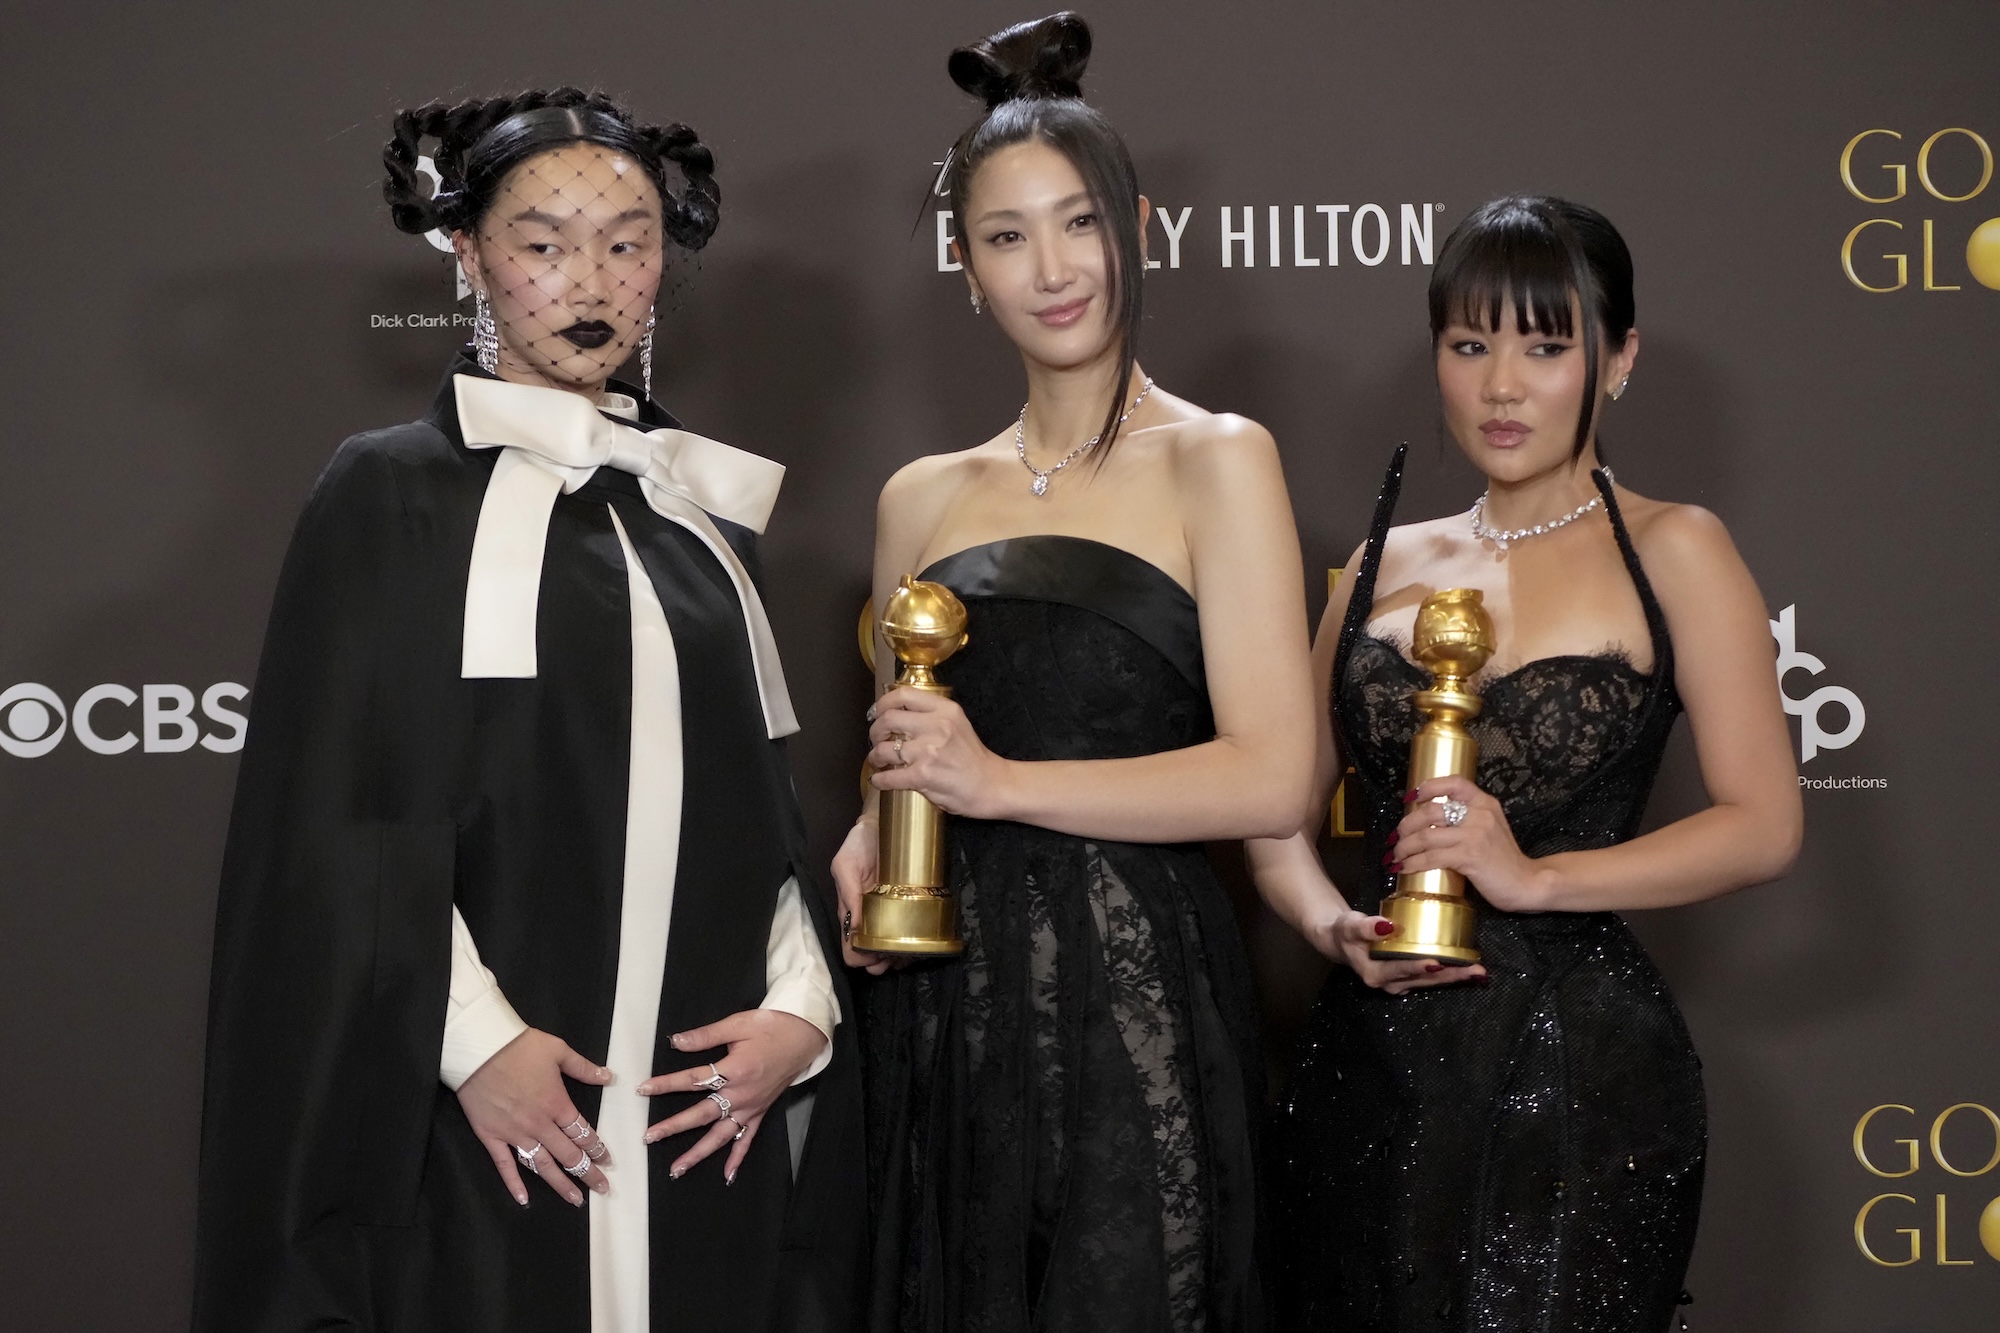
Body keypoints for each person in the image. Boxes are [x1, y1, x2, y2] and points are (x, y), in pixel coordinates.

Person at [192, 88, 862, 1333]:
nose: (588, 276)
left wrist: (797, 1013)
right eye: (542, 242)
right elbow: (337, 817)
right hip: (480, 1110)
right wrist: (471, 1044)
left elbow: (761, 811)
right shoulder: (385, 491)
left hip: (697, 1120)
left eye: (626, 239)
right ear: (468, 256)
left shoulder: (697, 508)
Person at [831, 14, 1313, 1332]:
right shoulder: (919, 495)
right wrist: (867, 833)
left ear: (1136, 228)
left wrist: (995, 781)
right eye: (1005, 236)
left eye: (1078, 223)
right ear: (965, 268)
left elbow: (1274, 775)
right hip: (945, 1011)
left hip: (1135, 996)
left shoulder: (1221, 457)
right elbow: (907, 751)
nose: (1052, 268)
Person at [1249, 196, 1803, 1331]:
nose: (1500, 385)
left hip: (1578, 1074)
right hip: (1369, 1063)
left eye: (1545, 347)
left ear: (1618, 359)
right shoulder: (1376, 561)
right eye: (1469, 345)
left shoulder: (1675, 548)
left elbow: (1761, 822)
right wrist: (1322, 924)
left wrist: (1538, 878)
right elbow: (1271, 804)